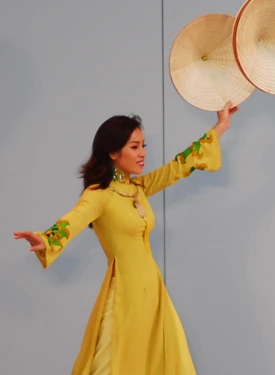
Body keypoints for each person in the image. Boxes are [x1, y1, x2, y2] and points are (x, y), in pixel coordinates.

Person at [13, 103, 238, 374]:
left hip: (153, 291)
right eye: (134, 147)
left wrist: (221, 126)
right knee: (114, 362)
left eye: (143, 146)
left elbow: (180, 165)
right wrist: (46, 239)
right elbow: (74, 219)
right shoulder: (99, 194)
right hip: (125, 295)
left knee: (162, 360)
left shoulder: (137, 188)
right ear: (112, 151)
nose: (143, 153)